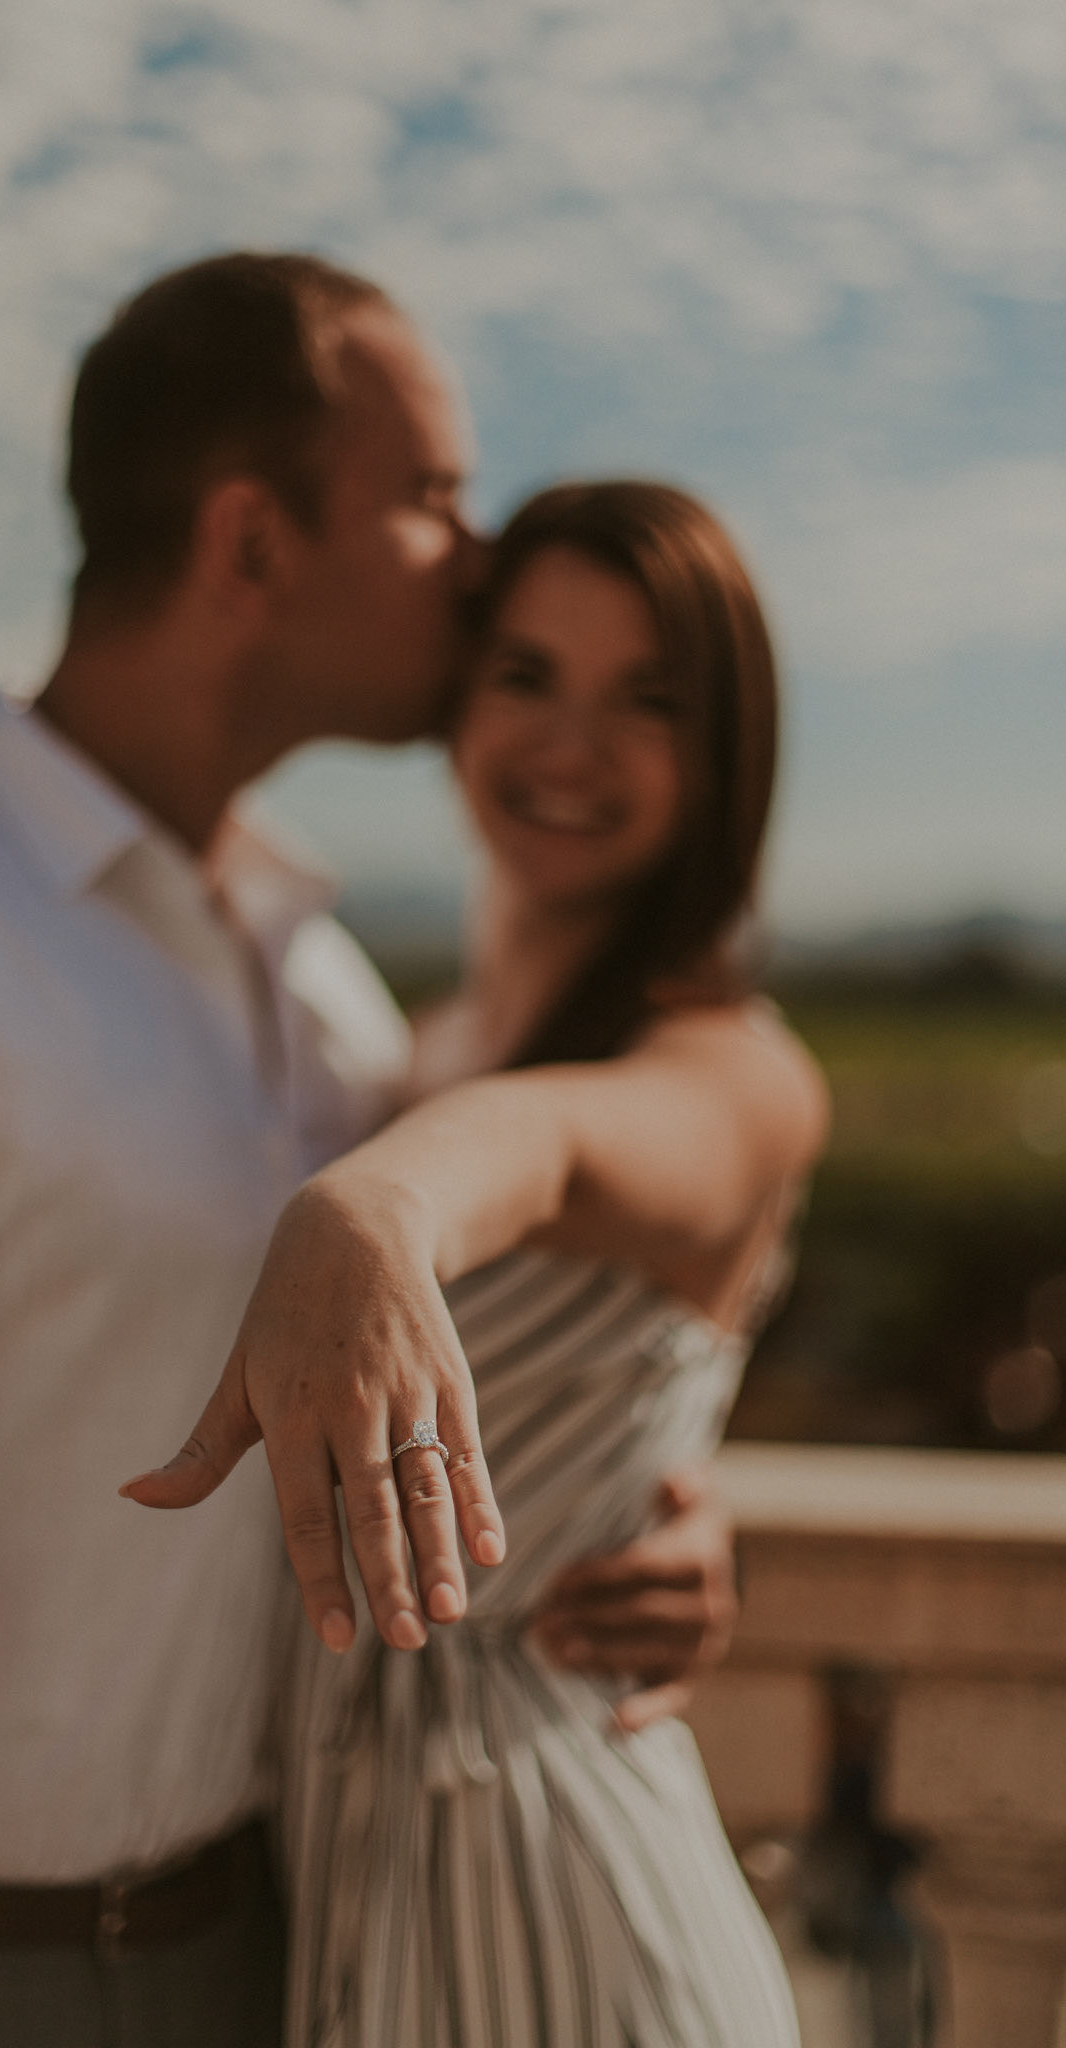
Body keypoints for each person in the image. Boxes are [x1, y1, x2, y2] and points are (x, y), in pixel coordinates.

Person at [0, 256, 737, 2048]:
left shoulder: (329, 990)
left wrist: (649, 1507)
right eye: (432, 494)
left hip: (270, 1955)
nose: (480, 543)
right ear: (251, 542)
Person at [126, 481, 828, 2044]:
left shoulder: (732, 1069)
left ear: (728, 754)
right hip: (347, 1910)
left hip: (563, 1920)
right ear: (455, 703)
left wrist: (369, 1215)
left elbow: (556, 1146)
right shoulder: (402, 1044)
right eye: (525, 675)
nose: (569, 745)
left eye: (648, 700)